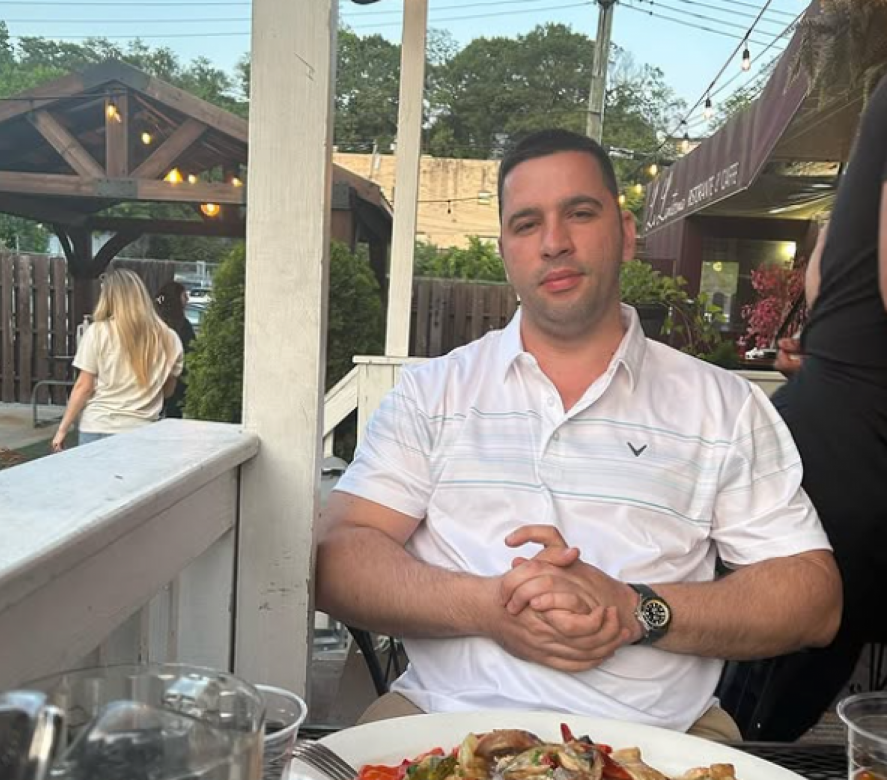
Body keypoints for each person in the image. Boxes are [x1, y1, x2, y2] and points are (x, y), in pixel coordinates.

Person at [316, 129, 841, 741]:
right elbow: (337, 558)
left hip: (660, 740)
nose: (554, 242)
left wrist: (635, 609)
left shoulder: (723, 406)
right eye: (527, 224)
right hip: (441, 724)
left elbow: (813, 599)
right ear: (505, 251)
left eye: (580, 213)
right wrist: (490, 606)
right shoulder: (434, 394)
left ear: (626, 233)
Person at [719, 74, 887, 741]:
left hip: (823, 430)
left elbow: (824, 267)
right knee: (759, 721)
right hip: (857, 465)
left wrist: (840, 346)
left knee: (764, 708)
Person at [51, 269, 184, 451]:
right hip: (143, 429)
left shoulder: (98, 332)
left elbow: (84, 386)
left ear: (108, 298)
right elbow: (167, 391)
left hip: (99, 425)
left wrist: (62, 429)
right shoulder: (169, 338)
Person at [155, 280, 196, 419]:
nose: (188, 299)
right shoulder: (183, 326)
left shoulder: (155, 323)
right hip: (177, 383)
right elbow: (191, 352)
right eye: (184, 295)